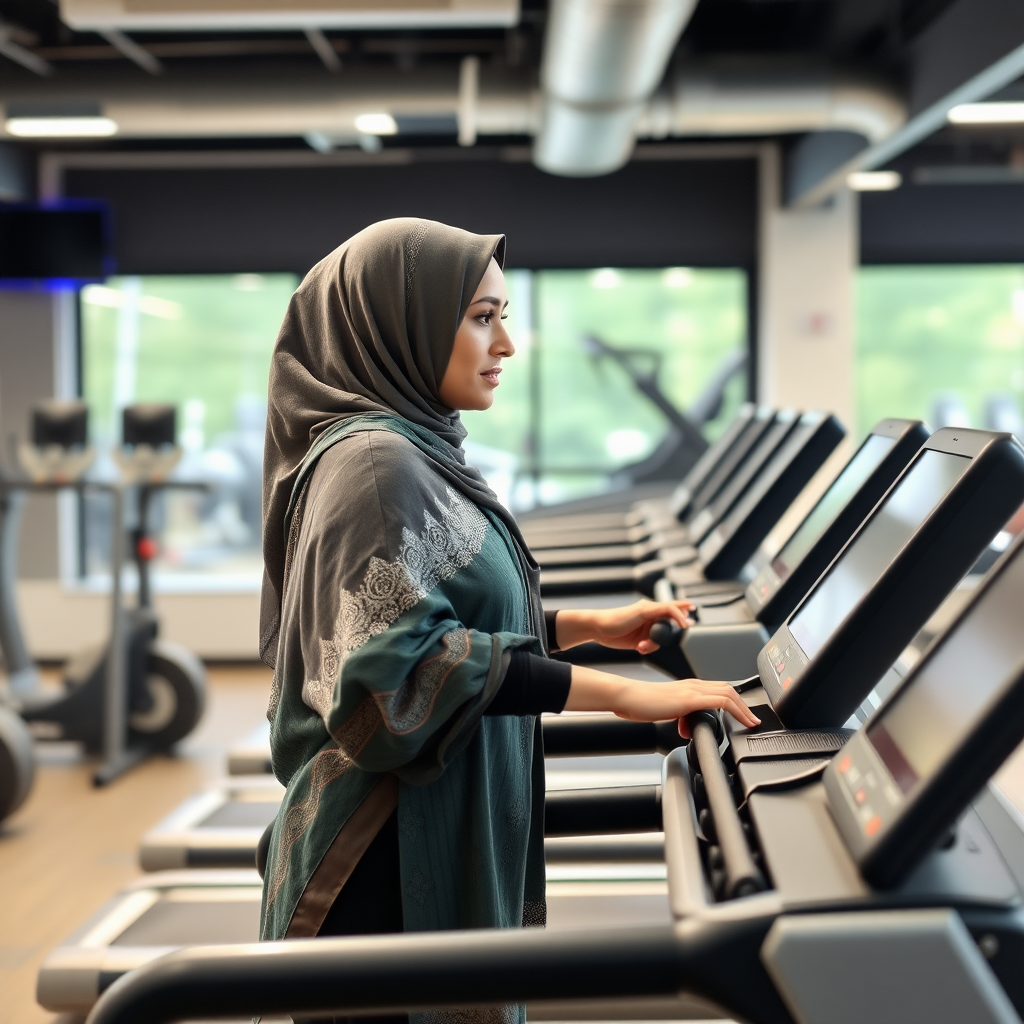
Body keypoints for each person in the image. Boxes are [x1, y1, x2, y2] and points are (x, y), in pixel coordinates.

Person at [258, 218, 759, 1023]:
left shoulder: (417, 449)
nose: (506, 345)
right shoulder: (373, 467)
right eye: (482, 317)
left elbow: (438, 604)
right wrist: (629, 698)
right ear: (405, 323)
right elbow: (400, 676)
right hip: (382, 857)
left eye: (503, 316)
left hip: (422, 825)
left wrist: (584, 624)